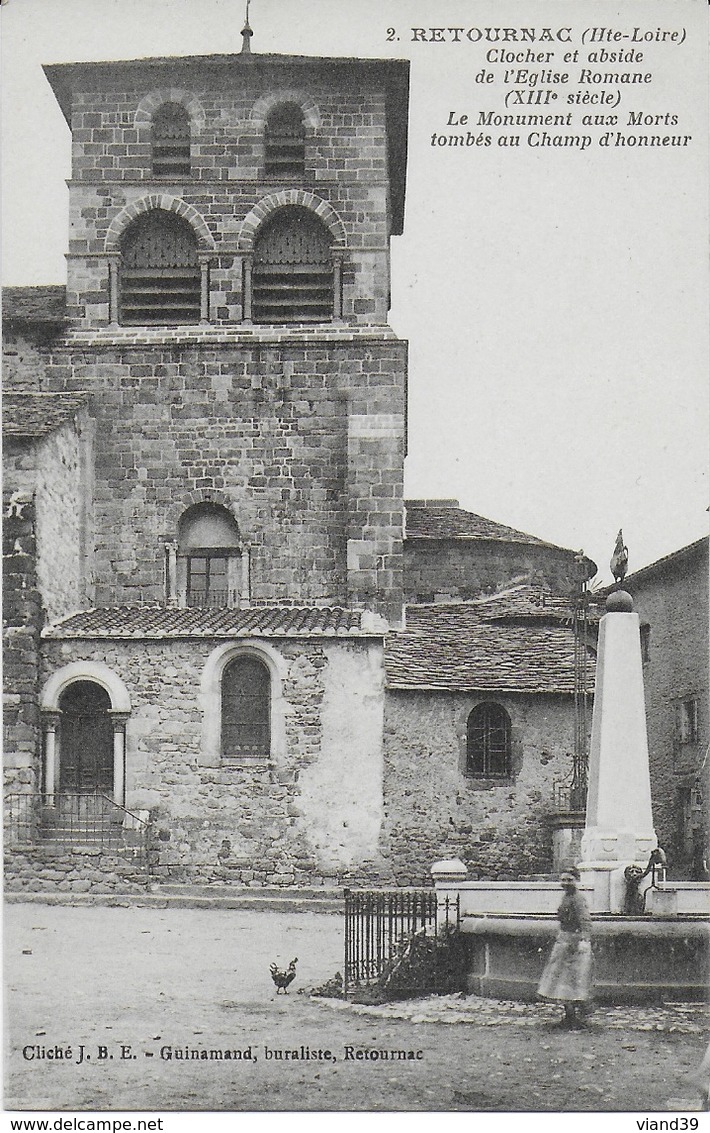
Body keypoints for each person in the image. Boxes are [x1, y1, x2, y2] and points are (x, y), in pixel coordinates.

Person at [537, 865, 593, 1028]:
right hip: (564, 940)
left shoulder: (578, 898)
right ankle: (568, 1014)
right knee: (560, 978)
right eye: (563, 880)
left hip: (574, 943)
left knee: (573, 979)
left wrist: (584, 940)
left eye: (570, 880)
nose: (566, 883)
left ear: (577, 880)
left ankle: (574, 1015)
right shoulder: (565, 897)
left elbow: (585, 921)